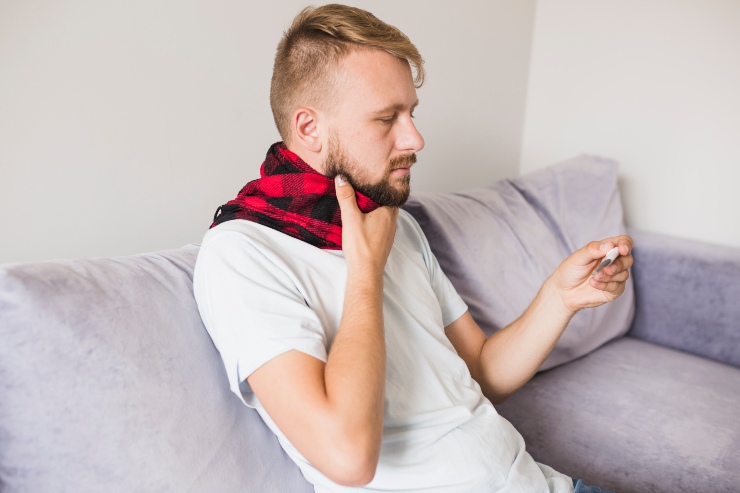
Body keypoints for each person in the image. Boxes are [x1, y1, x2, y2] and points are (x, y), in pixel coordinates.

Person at [193, 4, 630, 492]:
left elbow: (481, 374)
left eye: (412, 113)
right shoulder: (242, 253)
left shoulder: (389, 221)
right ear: (309, 127)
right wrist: (365, 273)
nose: (415, 137)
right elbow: (347, 457)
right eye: (387, 119)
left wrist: (561, 297)